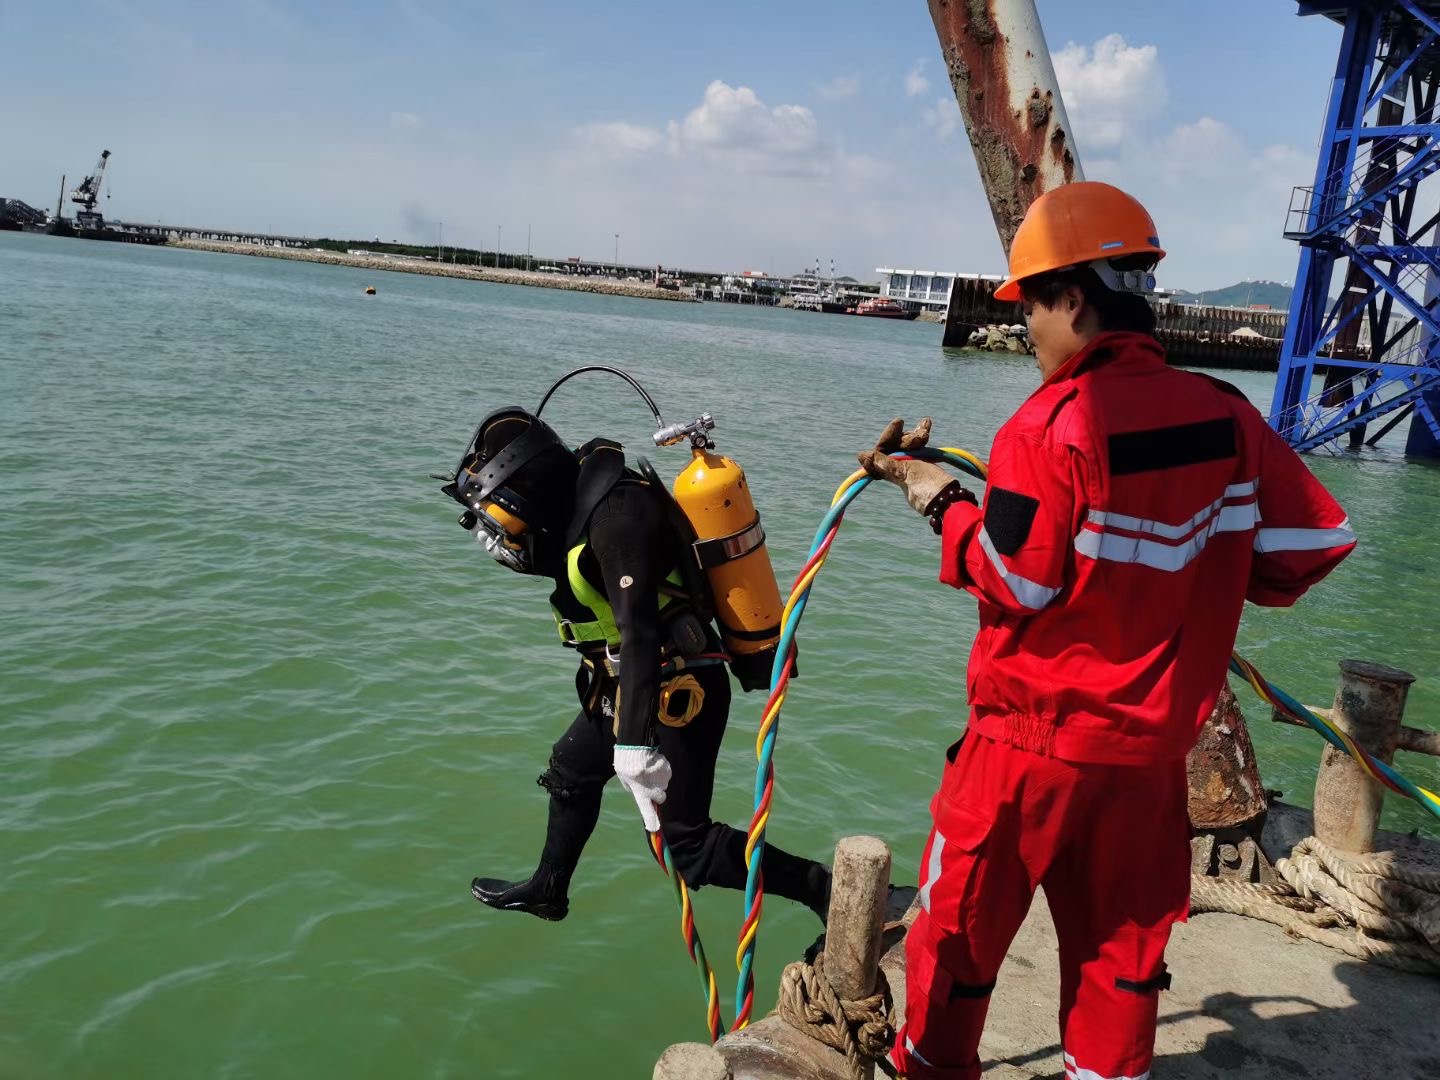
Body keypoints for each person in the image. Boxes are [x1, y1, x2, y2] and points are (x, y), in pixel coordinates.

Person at [858, 181, 1357, 1080]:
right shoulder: (1227, 416)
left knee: (956, 945)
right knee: (1120, 966)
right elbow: (1313, 546)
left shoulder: (1049, 425)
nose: (1028, 335)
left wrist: (939, 500)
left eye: (1032, 313)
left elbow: (1018, 581)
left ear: (1074, 298)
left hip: (1026, 754)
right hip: (1149, 761)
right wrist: (1198, 577)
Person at [440, 407, 831, 923]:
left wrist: (632, 746)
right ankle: (548, 889)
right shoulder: (574, 501)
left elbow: (640, 632)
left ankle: (823, 889)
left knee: (688, 848)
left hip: (680, 689)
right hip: (632, 679)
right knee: (572, 770)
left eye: (501, 515)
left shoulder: (615, 519)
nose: (499, 538)